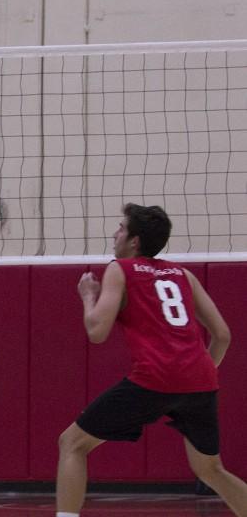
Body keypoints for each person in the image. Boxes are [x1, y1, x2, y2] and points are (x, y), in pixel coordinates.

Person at [55, 203, 247, 517]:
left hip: (155, 378)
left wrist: (88, 296)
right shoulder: (183, 274)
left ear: (134, 241)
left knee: (72, 444)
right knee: (211, 470)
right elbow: (222, 335)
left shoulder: (120, 269)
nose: (115, 233)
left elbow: (97, 332)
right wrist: (195, 377)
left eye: (121, 228)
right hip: (200, 380)